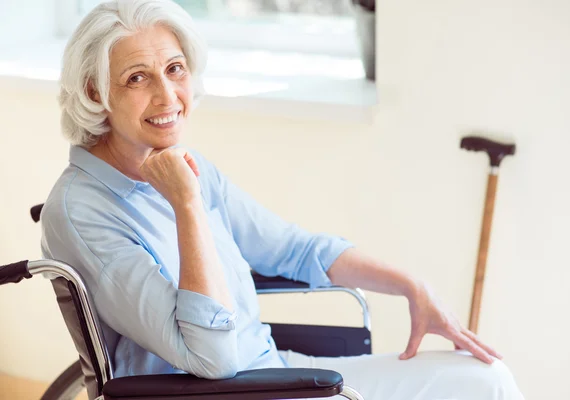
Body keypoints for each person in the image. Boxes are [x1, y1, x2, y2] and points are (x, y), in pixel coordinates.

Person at [41, 1, 524, 399]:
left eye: (174, 69)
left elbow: (294, 249)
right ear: (94, 90)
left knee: (486, 380)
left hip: (275, 371)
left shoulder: (186, 167)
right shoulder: (82, 211)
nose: (168, 95)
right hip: (215, 392)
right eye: (137, 78)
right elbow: (213, 357)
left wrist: (412, 287)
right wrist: (187, 205)